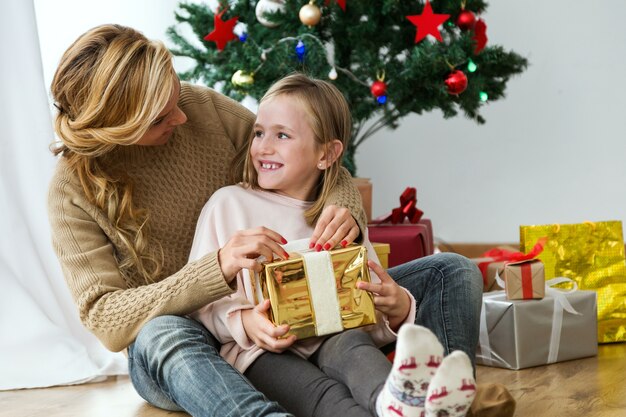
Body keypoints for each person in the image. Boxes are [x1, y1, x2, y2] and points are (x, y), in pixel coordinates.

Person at [46, 24, 486, 417]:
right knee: (162, 334)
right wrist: (217, 271)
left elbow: (307, 154)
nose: (182, 116)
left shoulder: (199, 109)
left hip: (319, 320)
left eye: (175, 95)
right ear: (117, 129)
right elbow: (106, 319)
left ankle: (431, 399)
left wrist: (344, 209)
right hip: (206, 337)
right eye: (161, 117)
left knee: (452, 270)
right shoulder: (72, 193)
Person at [187, 73, 476, 417]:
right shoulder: (228, 204)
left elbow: (365, 309)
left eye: (282, 135)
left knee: (355, 349)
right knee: (323, 396)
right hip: (262, 353)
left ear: (326, 154)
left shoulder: (338, 218)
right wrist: (246, 323)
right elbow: (200, 302)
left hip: (336, 337)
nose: (263, 146)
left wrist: (397, 310)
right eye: (259, 132)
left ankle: (403, 402)